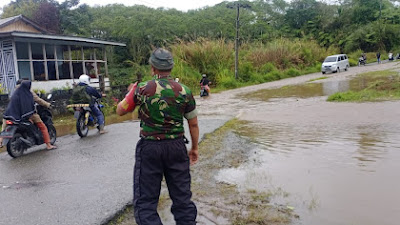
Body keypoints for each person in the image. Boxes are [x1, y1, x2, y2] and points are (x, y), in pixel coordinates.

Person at [116, 48, 199, 225]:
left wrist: (130, 92)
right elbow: (193, 124)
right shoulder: (185, 91)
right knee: (183, 201)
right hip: (177, 148)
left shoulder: (141, 88)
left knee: (145, 202)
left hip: (150, 149)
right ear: (171, 67)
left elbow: (120, 111)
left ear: (152, 68)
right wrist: (194, 148)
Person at [1, 80, 57, 150]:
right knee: (43, 127)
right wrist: (48, 105)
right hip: (27, 115)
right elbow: (37, 100)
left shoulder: (15, 92)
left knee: (4, 129)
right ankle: (49, 145)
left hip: (12, 115)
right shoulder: (28, 92)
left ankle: (1, 141)